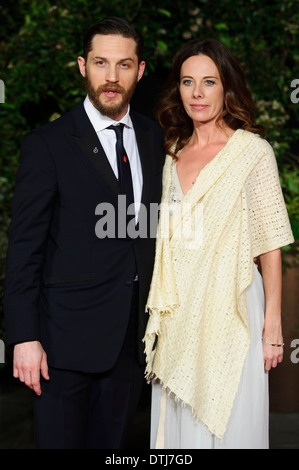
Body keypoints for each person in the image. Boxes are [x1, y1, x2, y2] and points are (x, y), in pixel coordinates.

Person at [4, 17, 165, 449]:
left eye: (124, 65)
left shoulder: (155, 138)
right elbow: (24, 249)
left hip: (132, 347)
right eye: (100, 63)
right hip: (62, 346)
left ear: (141, 70)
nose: (112, 78)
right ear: (82, 66)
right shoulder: (48, 144)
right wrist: (23, 337)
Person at [143, 38, 294, 449]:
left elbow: (271, 244)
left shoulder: (253, 152)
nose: (197, 93)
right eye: (187, 82)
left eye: (208, 82)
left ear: (226, 88)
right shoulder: (172, 153)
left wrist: (273, 328)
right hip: (178, 313)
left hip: (235, 308)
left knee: (229, 422)